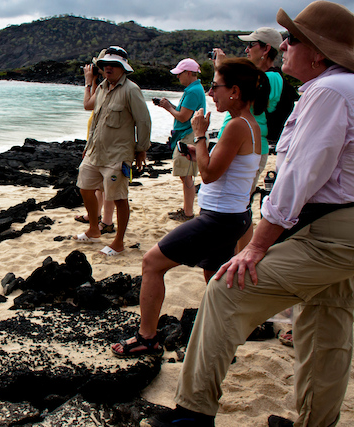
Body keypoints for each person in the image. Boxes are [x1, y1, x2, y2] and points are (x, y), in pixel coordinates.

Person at [144, 2, 354, 426]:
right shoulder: (342, 87)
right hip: (340, 226)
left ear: (319, 52)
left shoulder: (330, 91)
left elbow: (299, 175)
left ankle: (192, 415)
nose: (284, 47)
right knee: (327, 322)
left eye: (292, 40)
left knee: (226, 290)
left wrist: (258, 245)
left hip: (329, 228)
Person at [112, 58, 269, 357]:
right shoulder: (248, 124)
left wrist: (199, 134)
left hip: (220, 220)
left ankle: (147, 337)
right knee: (215, 279)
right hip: (232, 217)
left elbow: (209, 175)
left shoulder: (236, 125)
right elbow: (222, 167)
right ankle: (227, 334)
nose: (211, 93)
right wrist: (200, 152)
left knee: (151, 263)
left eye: (215, 87)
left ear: (234, 91)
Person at [212, 27, 289, 250]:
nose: (246, 49)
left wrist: (224, 70)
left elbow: (246, 99)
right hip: (240, 141)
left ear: (266, 49)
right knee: (236, 203)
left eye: (251, 45)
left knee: (239, 205)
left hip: (249, 144)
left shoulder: (272, 78)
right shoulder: (260, 77)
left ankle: (240, 251)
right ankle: (236, 250)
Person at [73, 45, 151, 256]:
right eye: (105, 64)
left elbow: (143, 121)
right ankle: (93, 228)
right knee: (85, 186)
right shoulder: (101, 88)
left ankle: (118, 242)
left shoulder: (131, 90)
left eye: (114, 65)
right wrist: (88, 146)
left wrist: (141, 149)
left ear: (123, 68)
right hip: (95, 152)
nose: (108, 68)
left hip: (118, 155)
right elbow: (95, 118)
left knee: (118, 197)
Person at [157, 58, 207, 222]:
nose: (178, 77)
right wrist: (170, 106)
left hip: (188, 135)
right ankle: (187, 210)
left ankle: (188, 212)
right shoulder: (194, 89)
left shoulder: (193, 91)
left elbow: (184, 117)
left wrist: (168, 107)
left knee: (186, 175)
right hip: (188, 134)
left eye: (179, 74)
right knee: (186, 175)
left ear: (188, 73)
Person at [75, 49, 117, 235]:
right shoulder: (103, 86)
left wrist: (87, 81)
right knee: (98, 184)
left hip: (108, 144)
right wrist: (92, 81)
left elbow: (87, 104)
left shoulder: (112, 86)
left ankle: (106, 222)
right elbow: (92, 102)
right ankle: (96, 217)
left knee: (107, 186)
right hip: (96, 138)